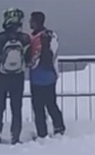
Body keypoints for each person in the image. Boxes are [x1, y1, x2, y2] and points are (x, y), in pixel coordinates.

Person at [0, 7, 33, 144]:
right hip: (17, 78)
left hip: (0, 77)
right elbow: (28, 59)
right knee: (16, 108)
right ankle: (15, 136)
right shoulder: (25, 39)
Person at [28, 10, 66, 138]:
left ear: (35, 22)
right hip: (50, 76)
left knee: (38, 108)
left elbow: (31, 58)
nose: (29, 23)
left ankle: (42, 133)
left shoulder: (34, 39)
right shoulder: (50, 36)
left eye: (31, 20)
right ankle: (59, 127)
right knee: (51, 104)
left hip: (36, 77)